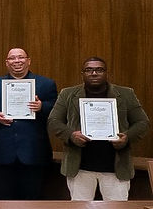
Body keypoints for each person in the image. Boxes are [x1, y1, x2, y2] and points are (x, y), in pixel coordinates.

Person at [48, 57, 149, 201]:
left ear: (107, 73)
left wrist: (127, 138)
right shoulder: (68, 94)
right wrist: (71, 135)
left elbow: (142, 122)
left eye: (99, 69)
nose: (94, 73)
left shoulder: (126, 94)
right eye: (89, 70)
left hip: (115, 167)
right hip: (80, 167)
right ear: (82, 73)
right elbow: (53, 121)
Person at [0, 48, 57, 200]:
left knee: (32, 199)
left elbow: (57, 109)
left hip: (33, 152)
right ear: (7, 63)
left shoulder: (46, 84)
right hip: (2, 152)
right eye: (12, 58)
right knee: (3, 198)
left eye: (21, 57)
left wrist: (42, 107)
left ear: (29, 60)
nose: (17, 61)